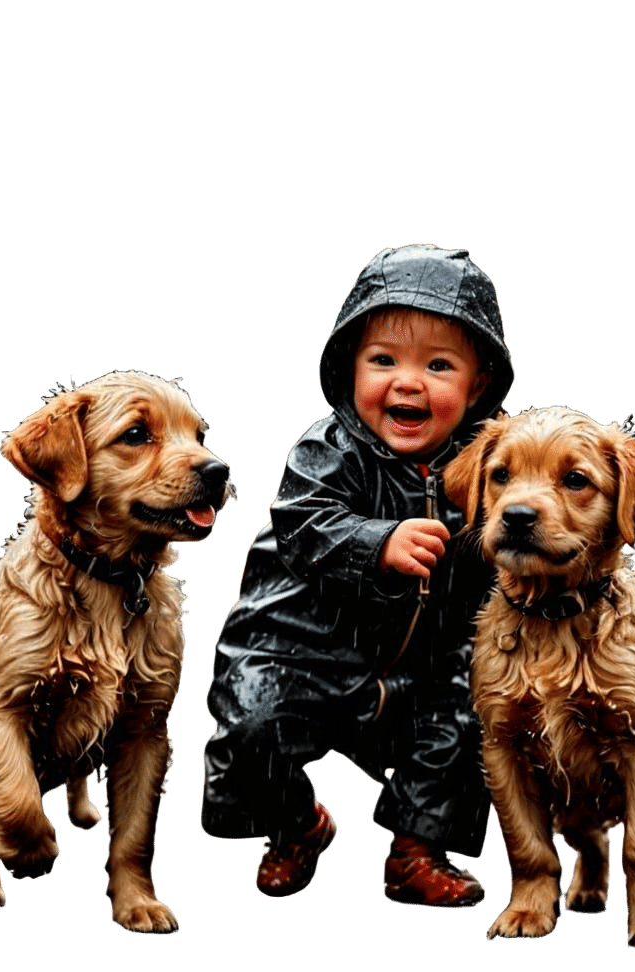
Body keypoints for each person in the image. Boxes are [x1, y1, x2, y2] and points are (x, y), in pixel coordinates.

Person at [202, 244, 514, 906]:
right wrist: (377, 542)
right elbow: (303, 524)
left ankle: (416, 851)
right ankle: (294, 823)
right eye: (383, 360)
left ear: (478, 383)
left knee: (480, 711)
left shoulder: (493, 465)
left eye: (438, 364)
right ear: (349, 369)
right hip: (304, 652)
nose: (407, 382)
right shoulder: (327, 451)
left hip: (426, 664)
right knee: (251, 721)